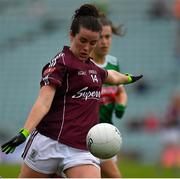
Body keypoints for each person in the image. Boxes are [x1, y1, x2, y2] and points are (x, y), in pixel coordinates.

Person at [1, 4, 142, 178]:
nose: (86, 48)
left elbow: (111, 76)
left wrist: (128, 78)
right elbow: (43, 102)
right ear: (71, 35)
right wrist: (24, 132)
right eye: (82, 40)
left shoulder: (94, 69)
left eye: (92, 43)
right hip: (49, 143)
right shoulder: (60, 64)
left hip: (82, 150)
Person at [90, 14, 127, 178]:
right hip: (87, 134)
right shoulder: (85, 65)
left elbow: (120, 91)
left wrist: (121, 105)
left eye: (108, 36)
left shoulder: (113, 62)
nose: (105, 41)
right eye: (100, 37)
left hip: (106, 131)